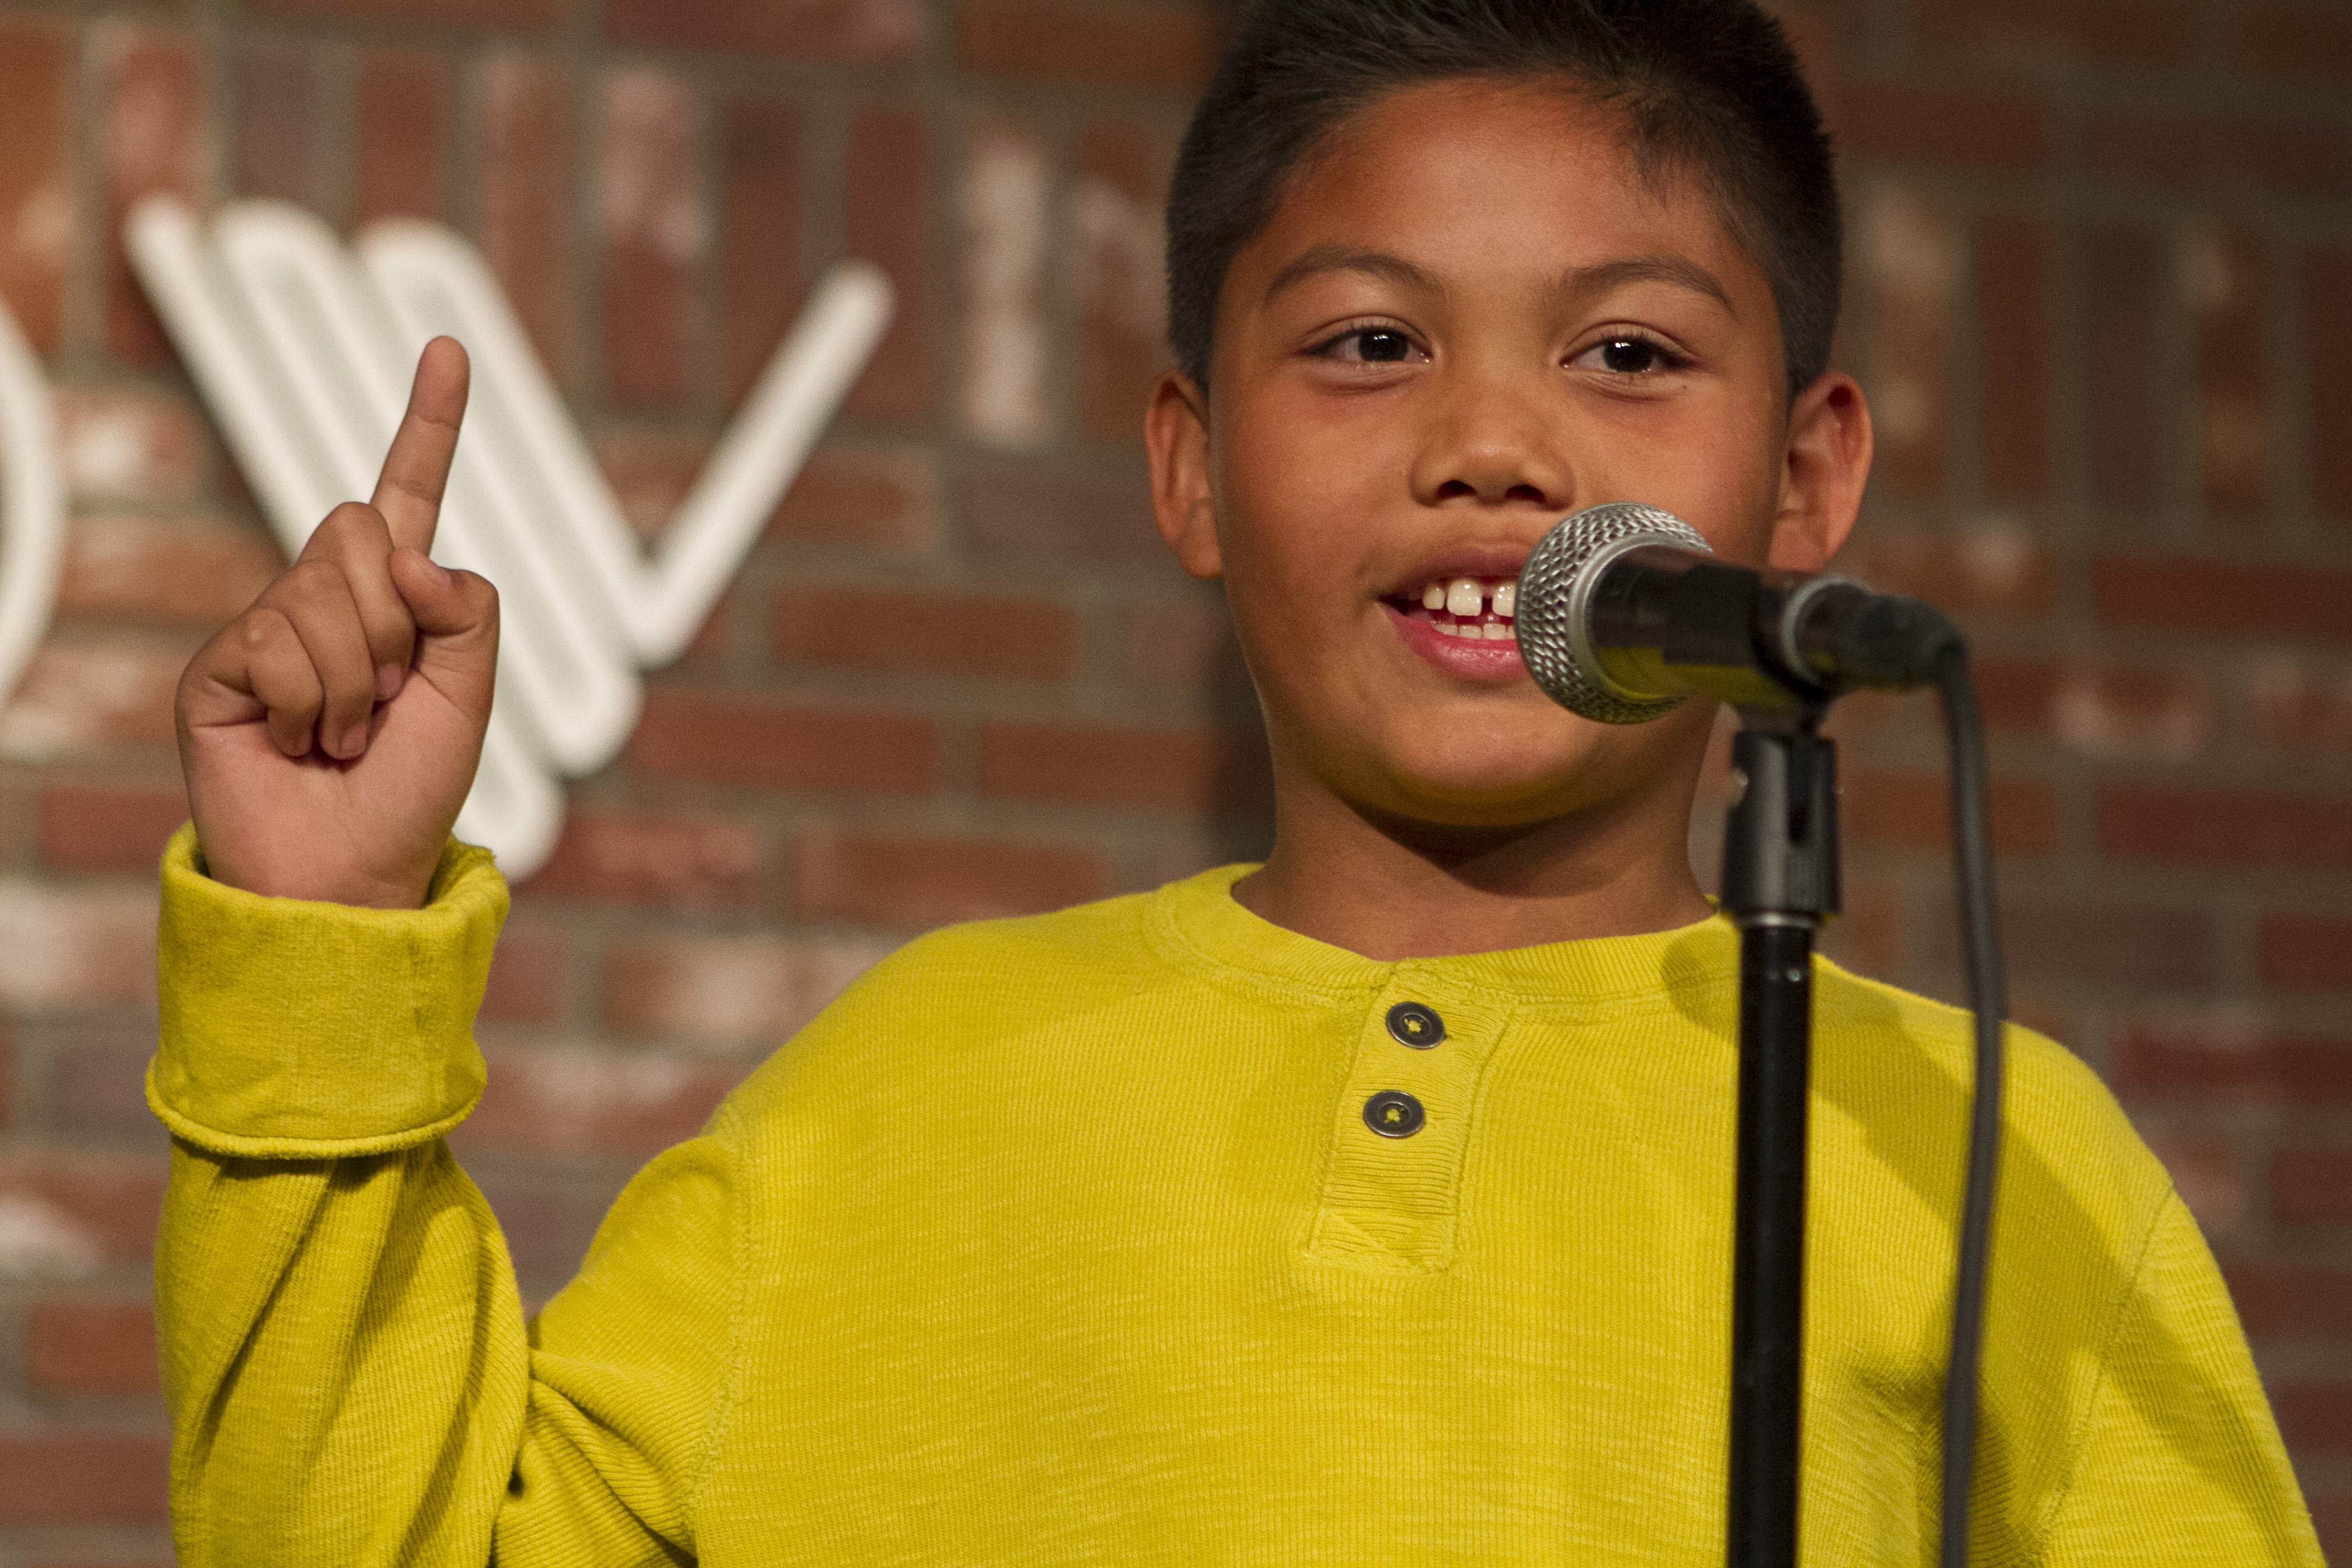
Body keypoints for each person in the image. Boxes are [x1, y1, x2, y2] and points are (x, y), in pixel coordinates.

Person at [149, 1, 2322, 1563]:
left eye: (1630, 354)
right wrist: (323, 953)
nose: (1493, 445)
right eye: (1370, 343)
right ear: (1190, 467)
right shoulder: (904, 1091)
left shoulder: (1996, 1166)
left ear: (1807, 471)